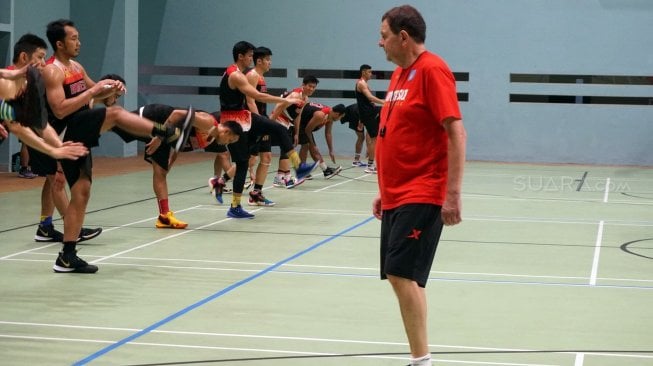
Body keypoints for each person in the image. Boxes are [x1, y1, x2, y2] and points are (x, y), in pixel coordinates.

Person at [42, 19, 194, 273]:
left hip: (79, 135)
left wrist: (111, 89)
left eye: (78, 37)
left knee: (82, 192)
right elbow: (58, 108)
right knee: (114, 115)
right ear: (59, 43)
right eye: (73, 38)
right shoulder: (52, 70)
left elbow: (98, 94)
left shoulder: (76, 67)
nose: (78, 42)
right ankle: (166, 132)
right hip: (66, 131)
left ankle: (67, 256)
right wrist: (95, 94)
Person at [373, 5, 467, 366]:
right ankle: (420, 357)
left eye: (383, 35)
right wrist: (384, 189)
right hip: (397, 193)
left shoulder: (432, 70)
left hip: (423, 190)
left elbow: (455, 131)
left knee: (400, 273)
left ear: (403, 36)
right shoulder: (399, 76)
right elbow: (394, 134)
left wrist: (452, 194)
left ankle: (421, 361)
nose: (378, 42)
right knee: (406, 277)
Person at [102, 76, 243, 228]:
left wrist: (171, 161)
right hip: (156, 117)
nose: (227, 144)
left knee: (161, 172)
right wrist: (158, 136)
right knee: (112, 122)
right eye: (229, 140)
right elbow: (176, 114)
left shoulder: (209, 139)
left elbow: (179, 141)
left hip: (163, 134)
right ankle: (89, 112)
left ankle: (164, 216)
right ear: (227, 132)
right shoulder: (208, 123)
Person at [4, 33, 101, 242]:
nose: (43, 63)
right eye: (39, 57)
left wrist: (57, 148)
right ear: (23, 57)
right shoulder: (11, 81)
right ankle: (71, 227)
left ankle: (46, 226)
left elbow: (39, 123)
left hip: (40, 132)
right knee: (56, 179)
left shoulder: (34, 81)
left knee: (53, 179)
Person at [215, 41, 313, 219]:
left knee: (279, 130)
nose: (252, 59)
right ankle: (234, 205)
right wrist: (286, 101)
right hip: (233, 122)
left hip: (243, 118)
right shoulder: (237, 75)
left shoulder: (238, 73)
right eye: (250, 56)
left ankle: (298, 166)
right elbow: (256, 96)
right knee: (244, 163)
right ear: (241, 56)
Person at [268, 75, 319, 188]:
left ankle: (280, 178)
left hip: (287, 123)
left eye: (313, 87)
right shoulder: (295, 95)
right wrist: (269, 124)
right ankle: (292, 175)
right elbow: (279, 107)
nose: (311, 89)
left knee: (286, 149)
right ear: (303, 85)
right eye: (309, 86)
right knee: (285, 148)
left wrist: (296, 132)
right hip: (278, 120)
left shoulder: (305, 99)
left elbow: (298, 116)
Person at [296, 102, 346, 179]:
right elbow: (307, 130)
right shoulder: (320, 115)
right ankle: (302, 171)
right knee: (306, 145)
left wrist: (331, 150)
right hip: (298, 122)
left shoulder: (330, 116)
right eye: (341, 117)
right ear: (337, 114)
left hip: (306, 125)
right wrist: (313, 145)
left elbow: (328, 133)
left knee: (311, 146)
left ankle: (326, 171)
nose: (340, 119)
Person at [356, 64, 385, 174]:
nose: (371, 74)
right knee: (374, 139)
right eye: (369, 72)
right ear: (363, 72)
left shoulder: (365, 84)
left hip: (369, 113)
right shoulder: (361, 84)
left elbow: (366, 102)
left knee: (375, 138)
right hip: (369, 114)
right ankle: (370, 166)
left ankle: (373, 164)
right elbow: (370, 97)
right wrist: (385, 102)